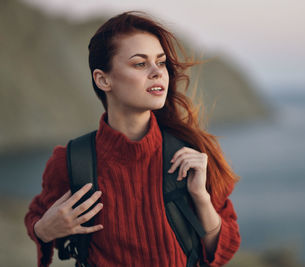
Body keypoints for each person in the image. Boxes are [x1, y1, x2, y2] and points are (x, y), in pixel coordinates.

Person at [24, 10, 241, 267]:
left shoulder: (193, 154)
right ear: (103, 79)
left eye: (160, 62)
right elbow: (37, 219)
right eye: (140, 63)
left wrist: (201, 198)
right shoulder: (71, 161)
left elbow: (223, 251)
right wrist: (44, 231)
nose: (157, 72)